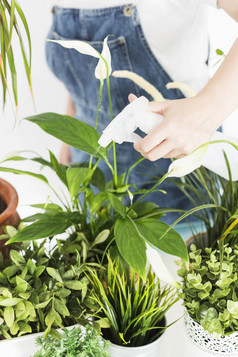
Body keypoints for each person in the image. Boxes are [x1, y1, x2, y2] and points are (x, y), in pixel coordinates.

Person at [46, 0, 238, 224]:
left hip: (173, 172)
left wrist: (207, 109)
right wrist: (73, 123)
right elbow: (86, 67)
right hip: (93, 168)